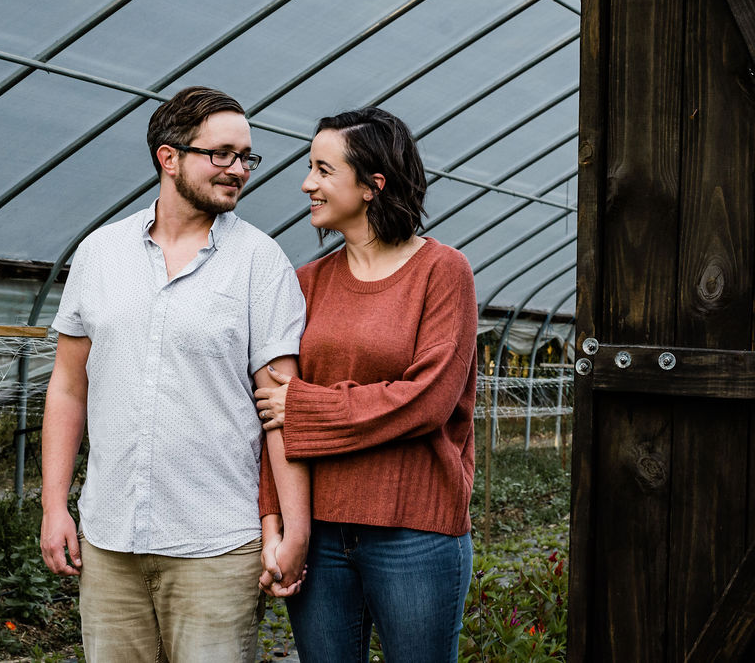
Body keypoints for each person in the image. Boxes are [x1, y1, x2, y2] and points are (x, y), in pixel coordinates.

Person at [39, 85, 310, 662]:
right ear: (169, 157)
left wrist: (292, 529)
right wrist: (54, 505)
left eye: (246, 157)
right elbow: (67, 386)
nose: (238, 170)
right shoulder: (99, 253)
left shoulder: (261, 264)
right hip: (109, 540)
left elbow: (280, 406)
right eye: (222, 154)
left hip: (216, 543)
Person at [255, 107, 477, 662]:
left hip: (415, 532)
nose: (308, 183)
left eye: (323, 170)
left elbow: (427, 400)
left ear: (373, 185)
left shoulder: (443, 272)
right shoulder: (304, 283)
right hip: (320, 535)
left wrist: (304, 406)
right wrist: (274, 522)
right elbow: (269, 420)